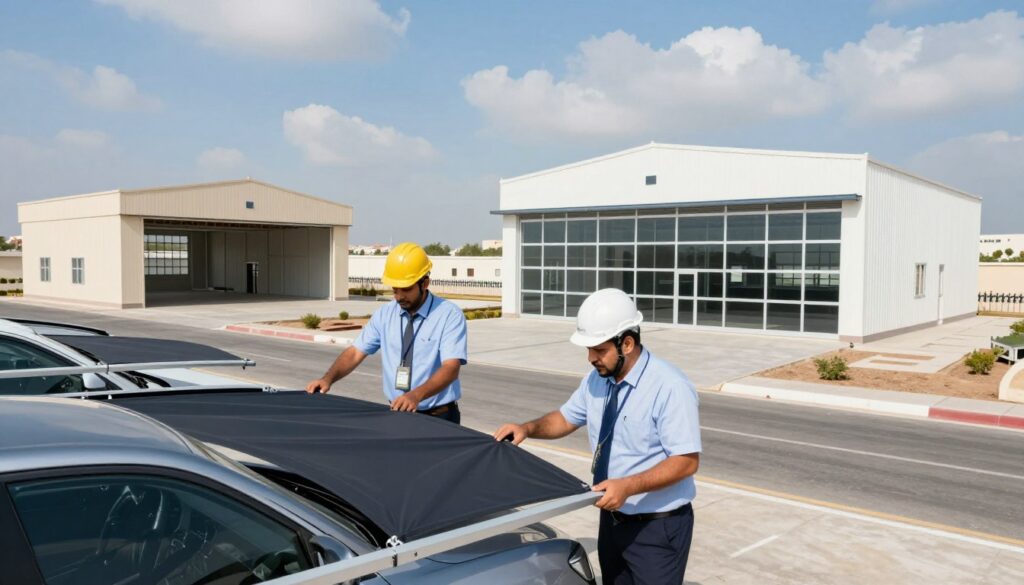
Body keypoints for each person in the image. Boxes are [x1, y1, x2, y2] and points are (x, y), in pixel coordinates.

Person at [493, 288, 701, 584]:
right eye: (588, 350)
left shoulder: (670, 387)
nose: (591, 358)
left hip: (656, 530)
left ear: (627, 343)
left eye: (599, 350)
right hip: (613, 521)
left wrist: (628, 486)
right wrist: (527, 428)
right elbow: (565, 418)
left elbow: (686, 461)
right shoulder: (597, 380)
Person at [305, 242, 468, 424]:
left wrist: (415, 396)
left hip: (439, 418)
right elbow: (355, 352)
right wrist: (327, 379)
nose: (398, 297)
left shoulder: (448, 315)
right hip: (398, 413)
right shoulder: (385, 314)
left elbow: (451, 368)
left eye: (405, 289)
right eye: (394, 289)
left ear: (425, 283)